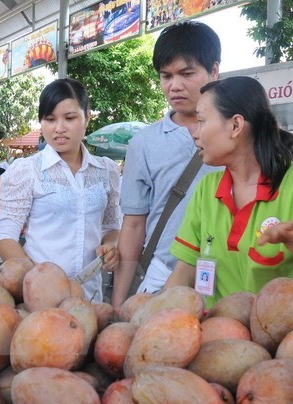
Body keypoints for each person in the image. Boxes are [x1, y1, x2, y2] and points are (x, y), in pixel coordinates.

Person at [111, 21, 222, 312]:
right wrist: (119, 304)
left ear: (213, 70)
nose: (174, 85)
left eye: (187, 73)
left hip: (229, 282)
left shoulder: (237, 134)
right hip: (162, 281)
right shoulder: (143, 144)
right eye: (166, 76)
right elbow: (134, 224)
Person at [164, 76, 293, 306]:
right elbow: (185, 269)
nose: (195, 133)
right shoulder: (207, 189)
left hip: (278, 338)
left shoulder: (289, 186)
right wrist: (154, 317)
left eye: (201, 121)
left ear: (235, 125)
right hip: (214, 334)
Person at [0, 78, 121, 302]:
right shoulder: (28, 170)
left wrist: (110, 246)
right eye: (50, 119)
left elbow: (111, 226)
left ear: (87, 117)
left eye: (70, 118)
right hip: (40, 296)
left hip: (90, 295)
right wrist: (36, 277)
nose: (59, 128)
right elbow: (5, 235)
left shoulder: (106, 170)